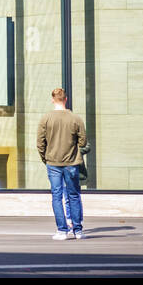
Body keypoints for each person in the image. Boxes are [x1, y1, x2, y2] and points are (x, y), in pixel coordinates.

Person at [37, 87, 89, 240]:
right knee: (73, 195)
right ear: (66, 99)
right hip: (71, 162)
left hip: (53, 162)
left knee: (56, 196)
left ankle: (62, 230)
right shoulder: (75, 118)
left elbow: (40, 143)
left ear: (53, 100)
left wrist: (45, 158)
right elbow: (83, 141)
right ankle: (78, 230)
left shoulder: (46, 119)